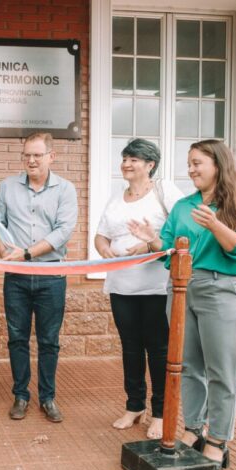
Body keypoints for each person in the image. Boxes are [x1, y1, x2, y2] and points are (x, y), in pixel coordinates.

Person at [130, 139, 236, 468]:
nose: (190, 170)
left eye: (197, 163)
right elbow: (168, 248)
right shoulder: (183, 206)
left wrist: (215, 224)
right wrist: (152, 241)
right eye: (189, 163)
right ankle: (193, 429)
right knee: (188, 367)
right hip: (180, 291)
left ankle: (218, 439)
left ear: (217, 164)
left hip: (222, 290)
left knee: (222, 371)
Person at [94, 138, 183, 439]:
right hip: (121, 285)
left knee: (157, 350)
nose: (127, 163)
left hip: (156, 286)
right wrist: (104, 248)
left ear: (150, 164)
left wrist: (149, 242)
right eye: (124, 158)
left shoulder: (165, 191)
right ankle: (134, 406)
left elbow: (181, 233)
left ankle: (160, 412)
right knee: (130, 348)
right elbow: (101, 235)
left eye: (133, 158)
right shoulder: (116, 198)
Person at [0, 132, 77, 422]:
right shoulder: (7, 186)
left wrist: (26, 253)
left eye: (37, 155)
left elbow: (63, 232)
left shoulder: (66, 190)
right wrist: (4, 251)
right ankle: (20, 396)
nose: (31, 160)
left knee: (49, 340)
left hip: (51, 274)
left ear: (51, 157)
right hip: (16, 276)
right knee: (16, 338)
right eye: (27, 154)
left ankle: (48, 397)